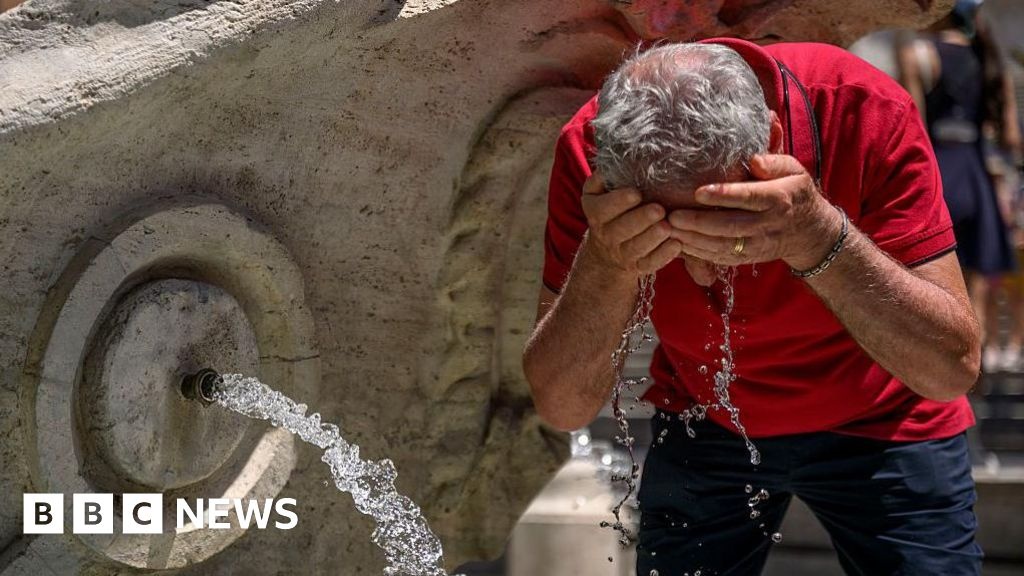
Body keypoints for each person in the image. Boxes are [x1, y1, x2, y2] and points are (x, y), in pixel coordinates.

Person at [523, 39, 983, 575]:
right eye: (666, 237)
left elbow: (954, 367)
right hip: (706, 413)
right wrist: (608, 261)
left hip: (885, 414)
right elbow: (562, 406)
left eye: (722, 220)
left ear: (772, 142)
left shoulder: (864, 110)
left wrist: (817, 235)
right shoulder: (592, 151)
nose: (700, 271)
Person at [898, 0, 1021, 372]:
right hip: (977, 174)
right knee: (976, 294)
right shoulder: (988, 58)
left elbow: (911, 126)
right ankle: (975, 403)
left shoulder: (916, 53)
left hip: (938, 174)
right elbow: (1011, 136)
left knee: (934, 287)